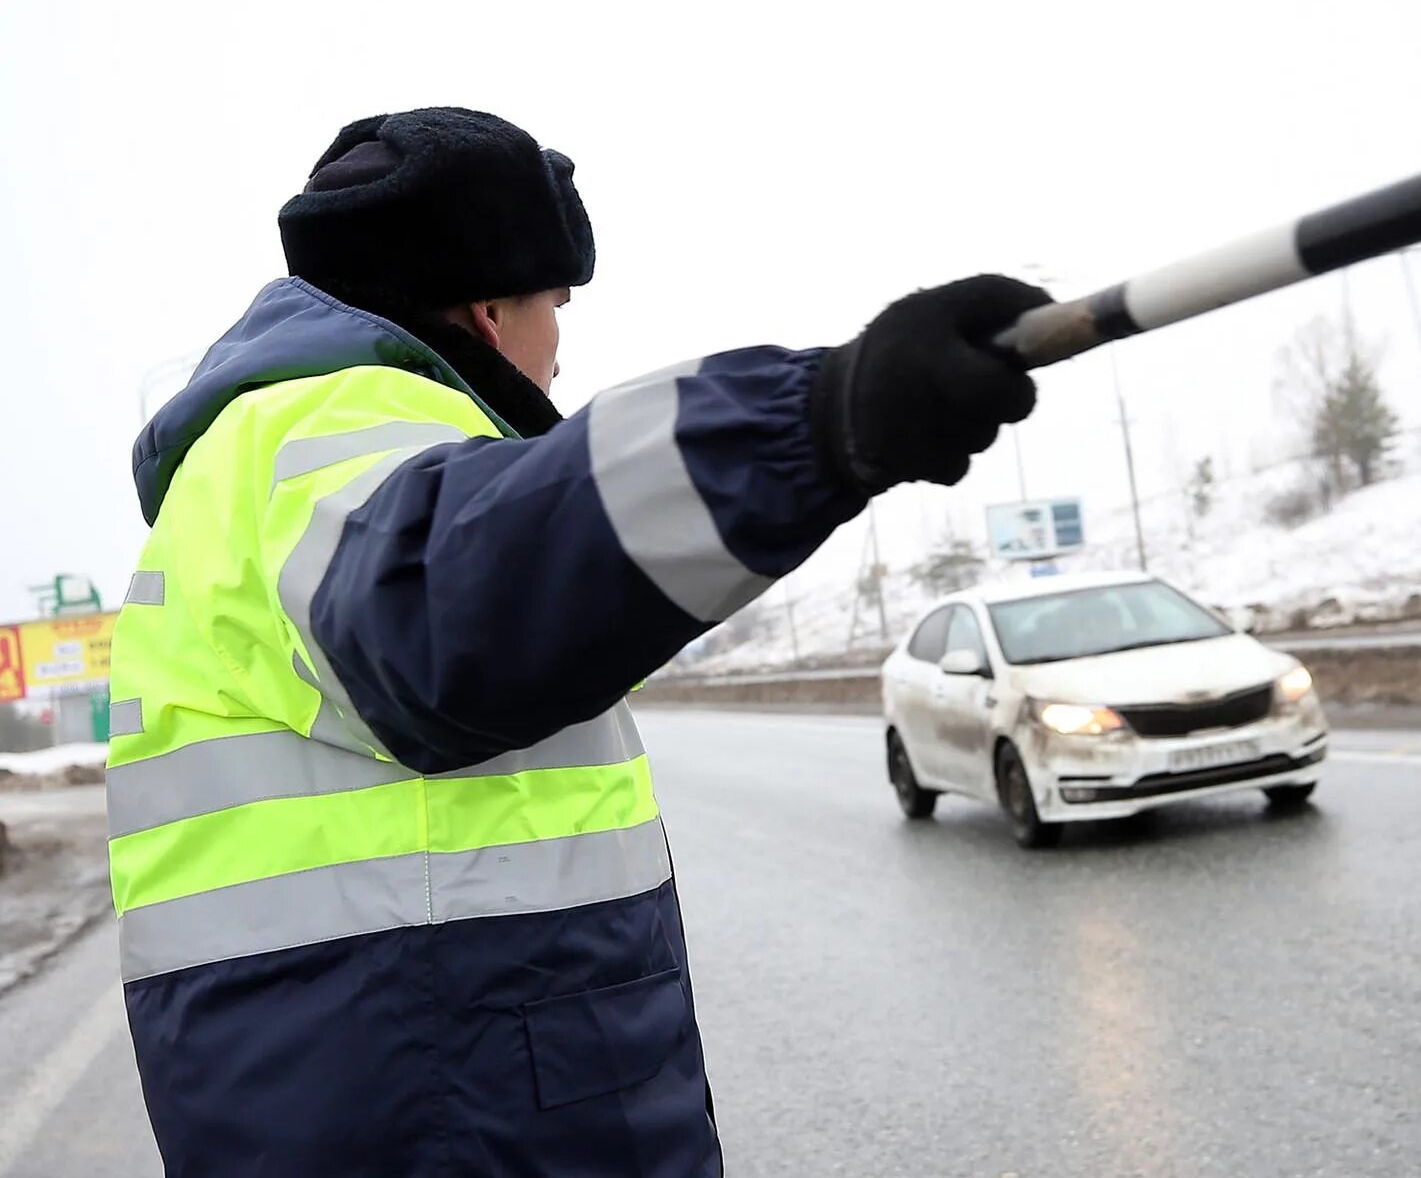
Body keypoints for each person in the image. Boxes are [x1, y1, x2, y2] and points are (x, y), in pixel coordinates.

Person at [106, 107, 1047, 1177]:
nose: (563, 342)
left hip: (404, 1074)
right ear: (490, 303)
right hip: (449, 1100)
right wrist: (816, 423)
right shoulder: (321, 427)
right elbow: (455, 595)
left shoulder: (269, 459)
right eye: (556, 301)